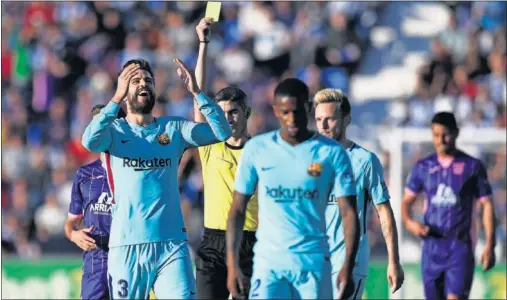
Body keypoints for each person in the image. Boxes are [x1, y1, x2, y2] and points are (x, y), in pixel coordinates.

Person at [81, 58, 232, 299]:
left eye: (148, 80)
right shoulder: (115, 131)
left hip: (172, 245)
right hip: (127, 247)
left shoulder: (173, 128)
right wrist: (116, 97)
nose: (144, 83)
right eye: (136, 80)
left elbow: (223, 132)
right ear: (124, 88)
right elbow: (89, 141)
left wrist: (197, 93)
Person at [226, 78, 360, 300]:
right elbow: (237, 209)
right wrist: (232, 266)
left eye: (296, 111)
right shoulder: (257, 149)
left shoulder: (332, 153)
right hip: (268, 266)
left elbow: (348, 212)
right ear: (276, 111)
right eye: (285, 112)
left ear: (308, 108)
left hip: (313, 265)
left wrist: (348, 264)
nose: (291, 118)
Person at [313, 89, 405, 299]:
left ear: (346, 120)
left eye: (330, 119)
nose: (323, 126)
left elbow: (384, 212)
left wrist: (394, 261)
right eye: (319, 119)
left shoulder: (364, 161)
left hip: (349, 262)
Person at [193, 18, 258, 300]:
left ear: (246, 113)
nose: (228, 118)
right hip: (213, 242)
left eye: (233, 112)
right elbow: (197, 94)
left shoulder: (262, 151)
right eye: (222, 113)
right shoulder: (209, 144)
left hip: (251, 242)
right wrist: (203, 44)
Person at [401, 112, 496, 300]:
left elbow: (487, 204)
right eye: (436, 135)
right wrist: (409, 222)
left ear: (456, 133)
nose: (441, 140)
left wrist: (490, 244)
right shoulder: (423, 167)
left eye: (445, 134)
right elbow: (406, 202)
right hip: (431, 248)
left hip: (459, 247)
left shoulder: (472, 166)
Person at [64, 105, 126, 300]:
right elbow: (71, 222)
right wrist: (74, 235)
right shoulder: (84, 174)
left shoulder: (134, 170)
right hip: (96, 254)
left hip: (127, 252)